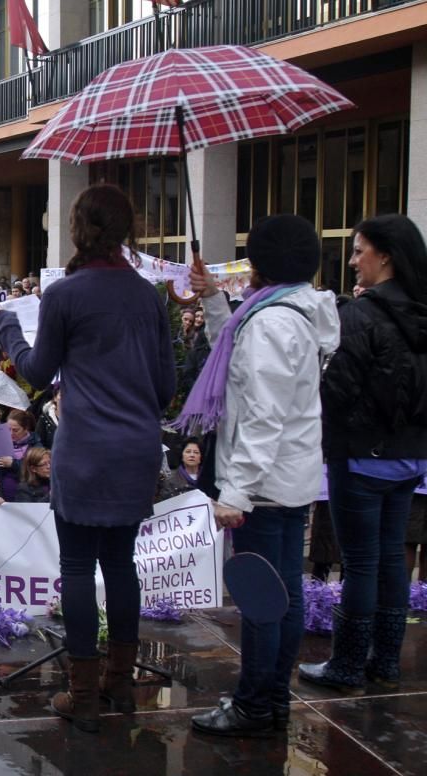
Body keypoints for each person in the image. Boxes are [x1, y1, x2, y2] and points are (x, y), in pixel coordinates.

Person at [0, 184, 176, 733]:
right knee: (120, 565)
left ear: (77, 230)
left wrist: (7, 330)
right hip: (136, 450)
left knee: (76, 566)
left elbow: (38, 369)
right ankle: (120, 684)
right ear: (125, 230)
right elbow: (166, 385)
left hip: (87, 448)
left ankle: (83, 694)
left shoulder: (67, 294)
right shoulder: (149, 297)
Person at [176, 214, 338, 737]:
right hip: (286, 479)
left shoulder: (272, 322)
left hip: (264, 487)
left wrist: (237, 492)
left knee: (265, 600)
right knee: (283, 594)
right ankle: (271, 699)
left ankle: (254, 704)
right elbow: (237, 355)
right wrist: (211, 299)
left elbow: (263, 415)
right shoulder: (280, 312)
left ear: (262, 264)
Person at [299, 214, 427, 697]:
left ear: (385, 256)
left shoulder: (360, 315)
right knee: (392, 556)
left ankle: (348, 663)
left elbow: (336, 391)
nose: (352, 261)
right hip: (410, 457)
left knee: (360, 562)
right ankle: (386, 661)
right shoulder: (420, 310)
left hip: (362, 455)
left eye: (358, 251)